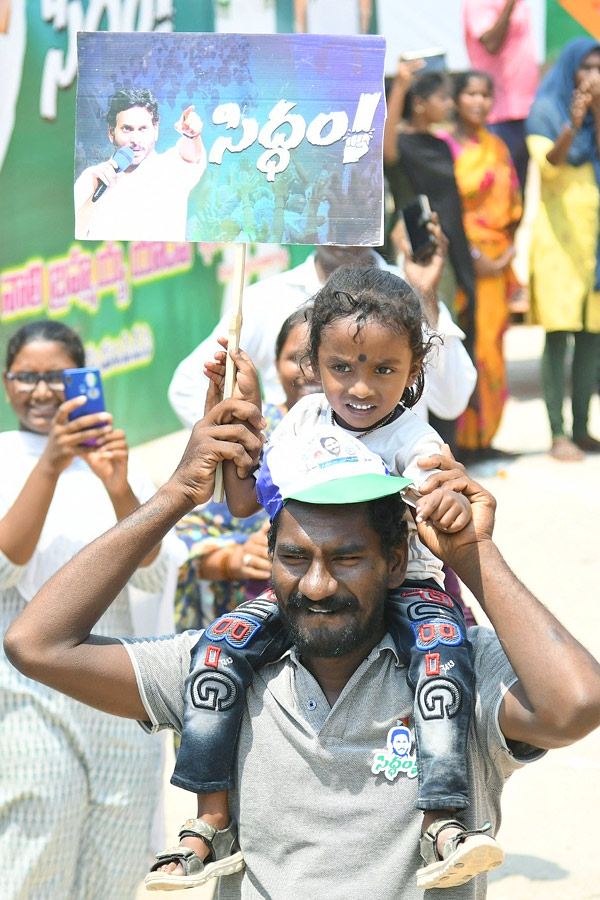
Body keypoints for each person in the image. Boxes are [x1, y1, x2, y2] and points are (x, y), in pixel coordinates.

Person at [5, 400, 600, 900]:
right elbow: (37, 645)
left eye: (346, 558)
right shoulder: (222, 668)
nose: (316, 586)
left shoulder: (452, 666)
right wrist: (176, 495)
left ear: (396, 562)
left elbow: (575, 704)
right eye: (294, 558)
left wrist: (474, 555)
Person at [156, 265, 493, 892]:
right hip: (309, 591)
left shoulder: (415, 440)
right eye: (342, 367)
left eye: (384, 370)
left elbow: (436, 502)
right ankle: (210, 819)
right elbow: (242, 501)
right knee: (217, 649)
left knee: (444, 663)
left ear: (415, 369)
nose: (360, 388)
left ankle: (443, 820)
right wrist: (243, 412)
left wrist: (446, 502)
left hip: (406, 588)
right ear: (312, 363)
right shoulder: (303, 421)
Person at [0, 320, 185, 899]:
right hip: (26, 690)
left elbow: (154, 568)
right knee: (39, 841)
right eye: (26, 377)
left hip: (109, 683)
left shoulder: (113, 458)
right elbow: (7, 564)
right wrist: (51, 464)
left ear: (85, 381)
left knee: (120, 847)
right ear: (7, 384)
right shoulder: (5, 455)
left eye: (57, 377)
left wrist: (117, 486)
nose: (42, 391)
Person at [174, 308, 319, 631]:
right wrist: (234, 559)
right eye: (296, 358)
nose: (309, 372)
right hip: (244, 618)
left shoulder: (363, 430)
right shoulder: (248, 424)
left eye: (320, 358)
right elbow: (183, 539)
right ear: (276, 365)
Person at [437, 71, 523, 461]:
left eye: (487, 94)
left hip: (496, 263)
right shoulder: (441, 147)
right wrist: (472, 258)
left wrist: (504, 255)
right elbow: (440, 209)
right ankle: (456, 442)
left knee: (490, 349)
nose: (480, 102)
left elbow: (514, 207)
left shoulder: (498, 146)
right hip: (454, 262)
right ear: (455, 100)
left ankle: (483, 437)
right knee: (456, 344)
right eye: (471, 93)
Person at [526, 38, 600, 461]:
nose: (593, 75)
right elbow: (551, 166)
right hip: (560, 244)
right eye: (586, 66)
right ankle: (558, 433)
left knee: (592, 339)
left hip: (595, 245)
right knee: (559, 338)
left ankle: (583, 428)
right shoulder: (546, 112)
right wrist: (573, 123)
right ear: (570, 69)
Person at [383, 65, 477, 366]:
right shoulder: (401, 145)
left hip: (446, 242)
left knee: (445, 319)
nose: (451, 105)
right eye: (442, 98)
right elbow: (387, 152)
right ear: (420, 103)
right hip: (414, 244)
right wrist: (400, 86)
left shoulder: (440, 145)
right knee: (415, 321)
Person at [74, 88, 206, 241]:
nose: (135, 139)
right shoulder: (92, 177)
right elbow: (75, 235)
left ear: (155, 130)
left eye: (143, 129)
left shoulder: (171, 169)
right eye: (127, 129)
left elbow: (191, 155)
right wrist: (95, 196)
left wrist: (191, 135)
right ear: (111, 132)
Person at [463, 0, 538, 193]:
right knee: (501, 191)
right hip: (498, 115)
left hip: (526, 109)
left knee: (524, 192)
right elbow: (491, 43)